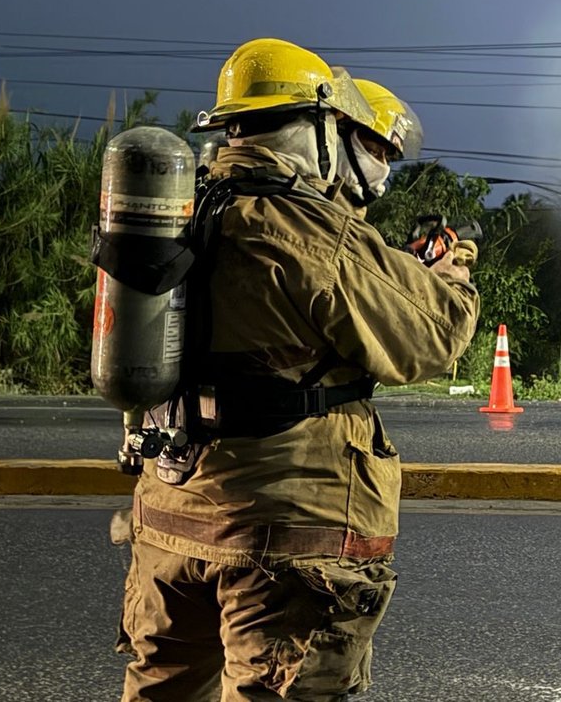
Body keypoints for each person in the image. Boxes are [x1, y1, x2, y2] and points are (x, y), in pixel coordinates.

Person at [116, 37, 480, 701]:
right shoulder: (310, 230)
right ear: (315, 128)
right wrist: (452, 282)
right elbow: (429, 339)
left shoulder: (185, 206)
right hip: (283, 531)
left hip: (171, 518)